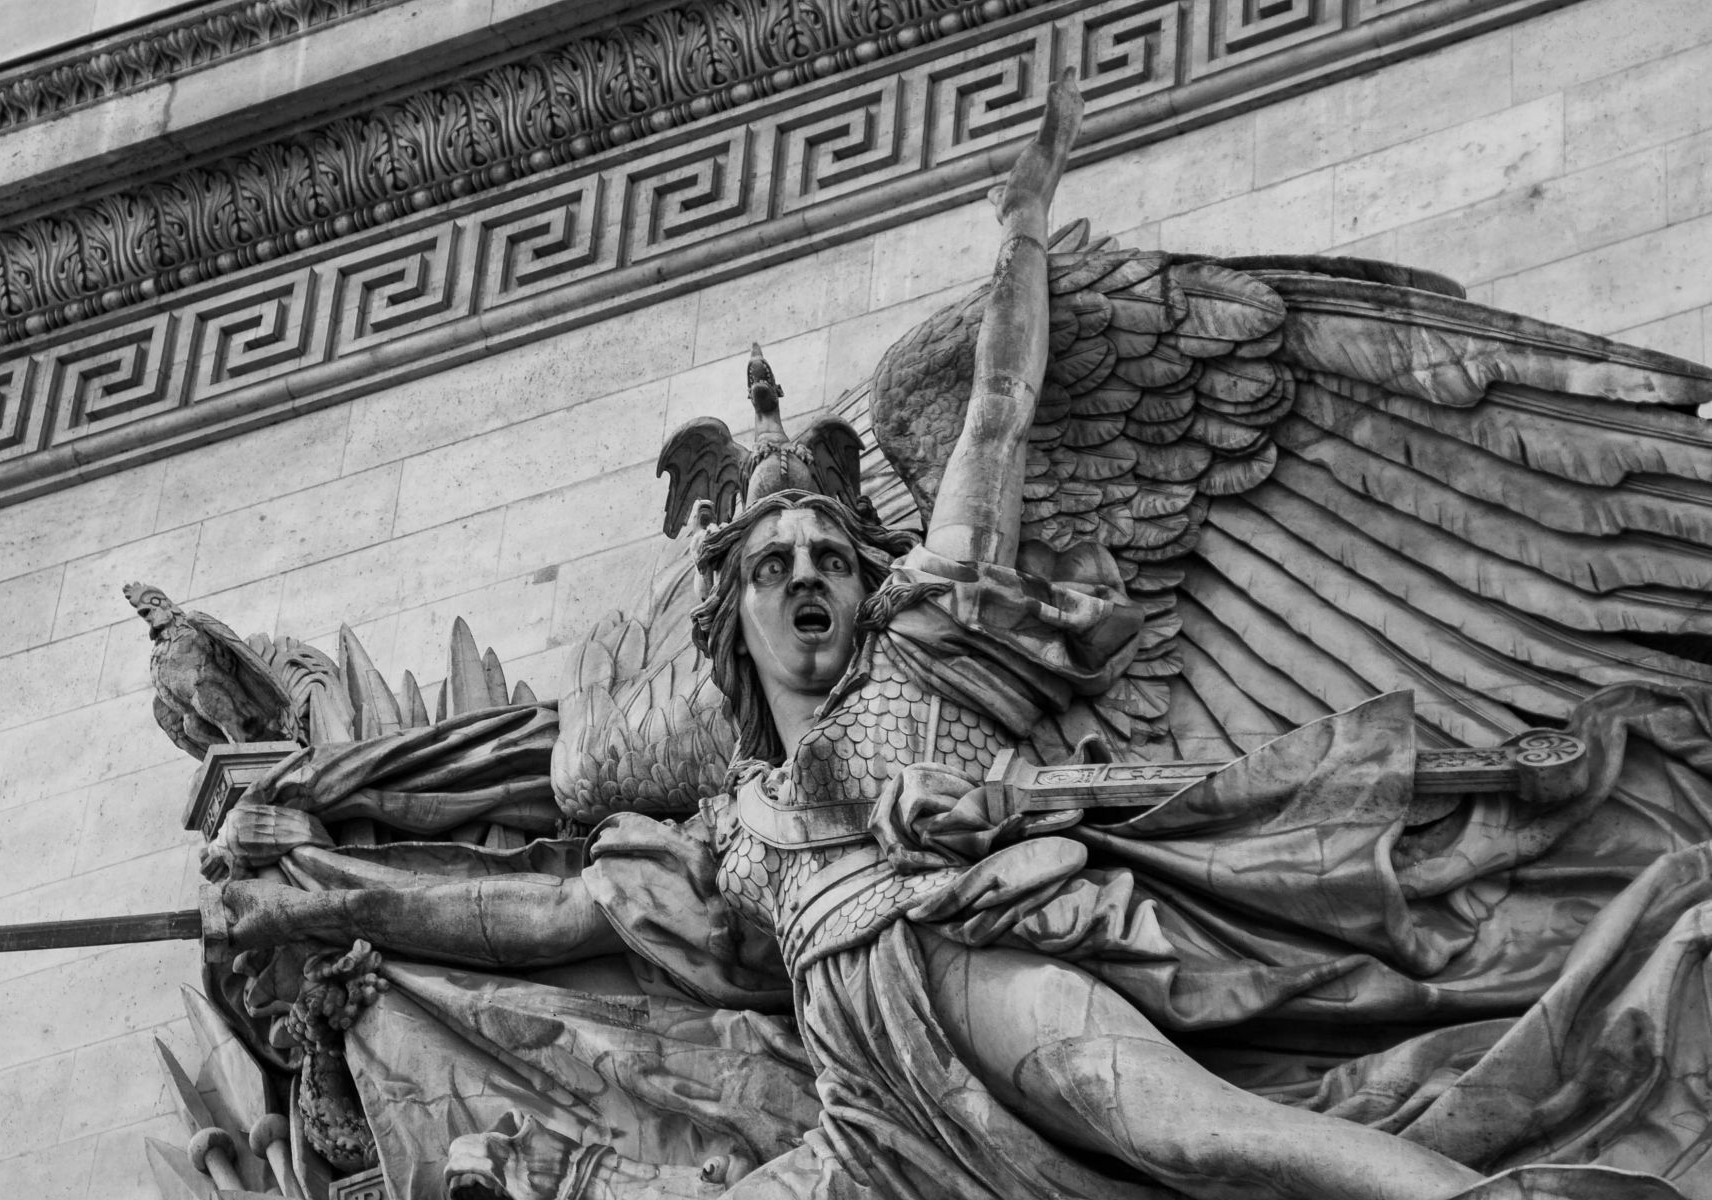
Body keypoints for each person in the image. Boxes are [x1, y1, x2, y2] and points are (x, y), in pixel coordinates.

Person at [208, 74, 1711, 1200]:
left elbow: (990, 420)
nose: (807, 576)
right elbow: (552, 922)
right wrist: (327, 895)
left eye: (827, 558)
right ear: (729, 614)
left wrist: (1015, 245)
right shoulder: (727, 826)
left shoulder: (926, 659)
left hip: (981, 974)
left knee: (1213, 1138)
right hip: (865, 1101)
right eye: (773, 564)